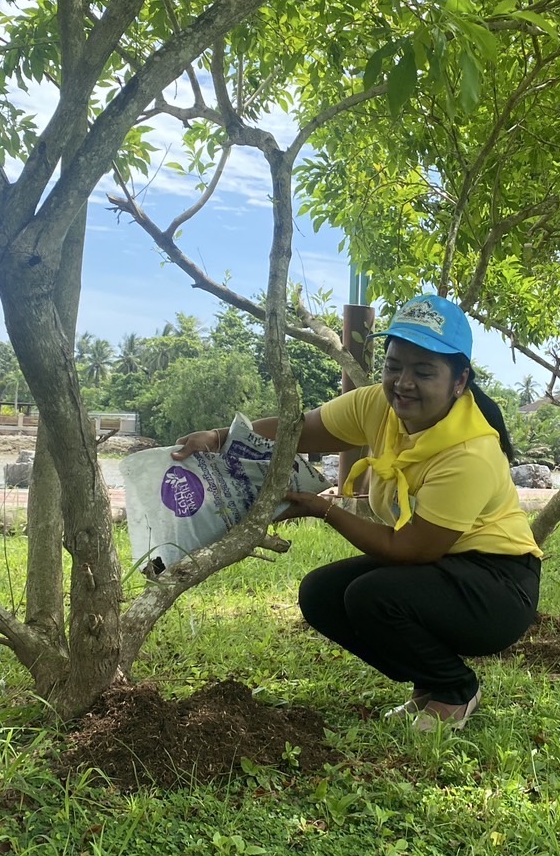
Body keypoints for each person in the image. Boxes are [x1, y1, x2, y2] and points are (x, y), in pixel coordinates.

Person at [172, 294, 541, 732]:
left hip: (497, 587)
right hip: (446, 566)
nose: (403, 382)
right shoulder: (376, 406)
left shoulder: (470, 453)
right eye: (394, 366)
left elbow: (407, 550)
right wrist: (217, 438)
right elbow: (300, 431)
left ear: (459, 381)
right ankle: (430, 682)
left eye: (424, 371)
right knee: (321, 594)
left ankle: (453, 689)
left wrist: (322, 509)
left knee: (372, 596)